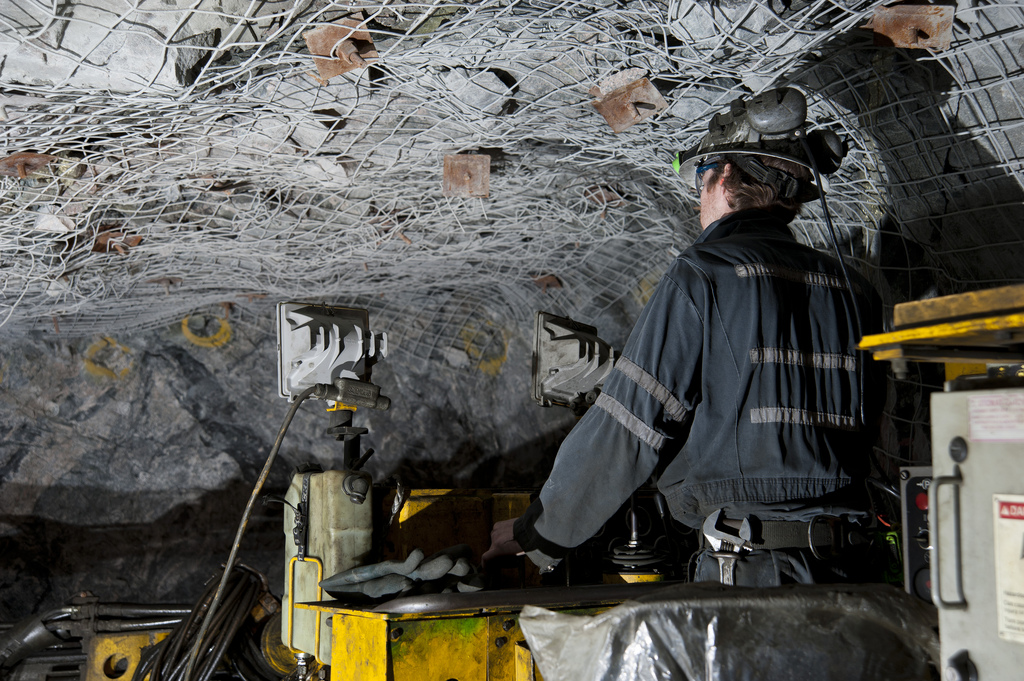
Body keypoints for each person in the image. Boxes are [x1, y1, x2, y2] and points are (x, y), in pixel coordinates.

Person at [483, 88, 886, 587]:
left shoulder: (704, 273)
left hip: (752, 571)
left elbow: (630, 425)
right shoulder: (857, 290)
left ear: (723, 177)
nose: (699, 196)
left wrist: (539, 531)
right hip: (855, 570)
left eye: (701, 177)